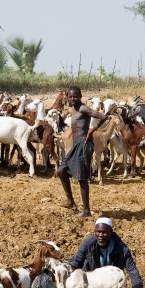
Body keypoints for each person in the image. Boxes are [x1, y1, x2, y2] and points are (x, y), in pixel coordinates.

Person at [57, 86, 109, 219]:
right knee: (61, 171)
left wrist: (93, 129)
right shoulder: (74, 109)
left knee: (82, 178)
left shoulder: (83, 108)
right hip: (76, 145)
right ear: (68, 97)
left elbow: (102, 116)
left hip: (83, 145)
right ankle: (71, 202)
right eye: (70, 96)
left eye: (75, 96)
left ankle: (86, 211)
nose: (73, 99)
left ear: (80, 97)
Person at [70, 217, 145, 288]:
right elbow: (75, 262)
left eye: (104, 232)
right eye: (98, 232)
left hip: (110, 287)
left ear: (111, 232)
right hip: (90, 287)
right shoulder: (88, 243)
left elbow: (131, 268)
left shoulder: (121, 248)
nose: (100, 235)